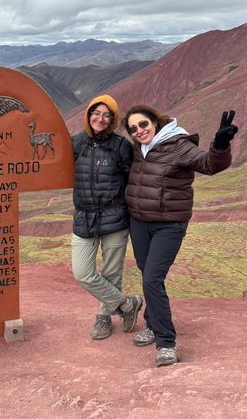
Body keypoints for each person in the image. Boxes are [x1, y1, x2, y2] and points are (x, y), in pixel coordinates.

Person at [122, 106, 238, 366]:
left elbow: (209, 165)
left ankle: (166, 343)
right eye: (133, 128)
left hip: (169, 225)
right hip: (139, 223)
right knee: (147, 274)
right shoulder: (137, 149)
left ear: (155, 121)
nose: (139, 131)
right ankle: (152, 323)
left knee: (152, 279)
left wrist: (220, 145)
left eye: (143, 124)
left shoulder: (177, 144)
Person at [70, 95, 142, 341]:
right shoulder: (76, 143)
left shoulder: (121, 145)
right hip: (83, 218)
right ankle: (126, 304)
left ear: (112, 119)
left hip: (115, 218)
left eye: (106, 115)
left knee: (112, 273)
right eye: (96, 113)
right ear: (88, 115)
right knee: (82, 273)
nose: (100, 119)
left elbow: (134, 180)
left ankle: (104, 317)